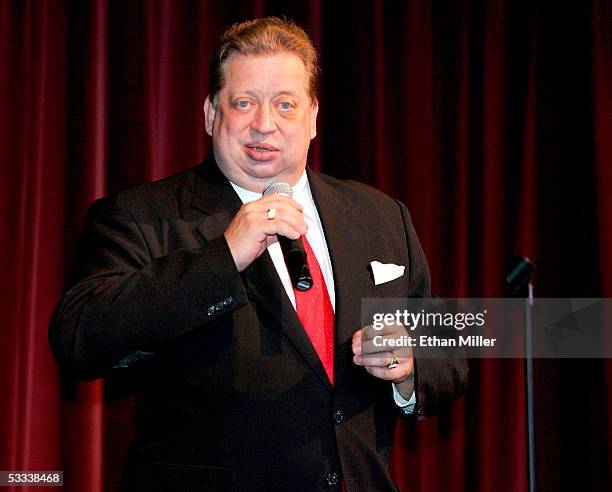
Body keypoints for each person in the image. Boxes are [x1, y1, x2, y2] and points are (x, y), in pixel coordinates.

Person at [50, 17, 467, 491]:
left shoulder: (378, 215)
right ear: (211, 114)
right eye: (243, 102)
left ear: (312, 116)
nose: (264, 124)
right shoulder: (142, 217)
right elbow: (80, 339)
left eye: (284, 105)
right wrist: (223, 257)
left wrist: (411, 365)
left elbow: (445, 342)